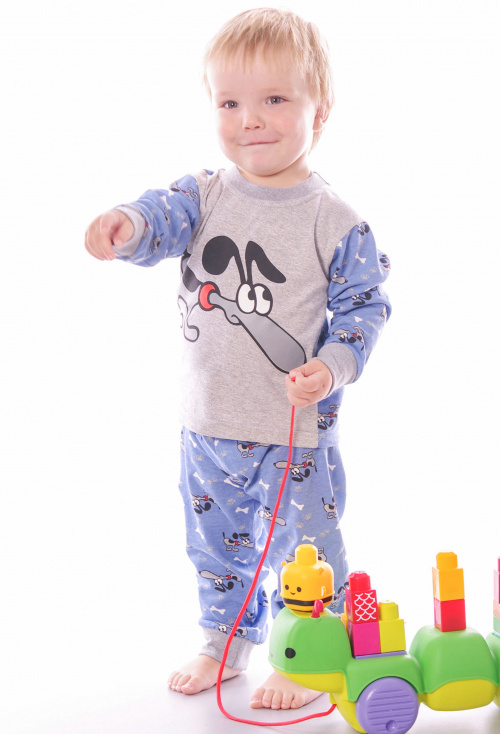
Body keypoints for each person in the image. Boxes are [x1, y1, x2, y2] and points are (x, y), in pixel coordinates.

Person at [84, 7, 391, 711]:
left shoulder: (336, 221)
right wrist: (126, 225)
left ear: (320, 110)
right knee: (216, 546)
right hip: (208, 423)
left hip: (293, 433)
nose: (250, 120)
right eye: (229, 103)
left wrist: (332, 366)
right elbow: (158, 218)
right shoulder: (203, 194)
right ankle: (225, 640)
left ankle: (311, 653)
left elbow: (364, 309)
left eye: (274, 99)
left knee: (305, 552)